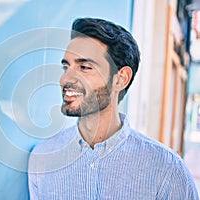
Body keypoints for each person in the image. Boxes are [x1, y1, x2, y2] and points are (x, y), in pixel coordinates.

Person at [28, 17, 199, 199]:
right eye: (66, 66)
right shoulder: (43, 158)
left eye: (84, 67)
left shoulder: (167, 170)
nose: (66, 79)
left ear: (120, 79)